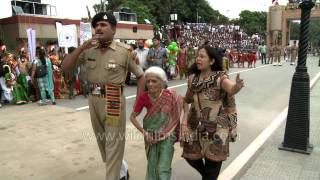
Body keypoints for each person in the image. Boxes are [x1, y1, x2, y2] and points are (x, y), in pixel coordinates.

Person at [62, 12, 145, 180]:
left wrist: (137, 105)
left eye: (103, 25)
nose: (98, 28)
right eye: (96, 25)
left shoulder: (124, 51)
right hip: (93, 99)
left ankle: (115, 176)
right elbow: (65, 67)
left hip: (114, 98)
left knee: (113, 144)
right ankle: (121, 169)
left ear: (113, 29)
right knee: (104, 145)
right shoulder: (87, 50)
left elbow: (141, 75)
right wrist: (81, 48)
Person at [181, 46, 244, 180]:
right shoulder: (193, 79)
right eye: (197, 56)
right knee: (190, 157)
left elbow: (230, 89)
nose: (198, 59)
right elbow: (186, 100)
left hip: (218, 128)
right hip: (196, 126)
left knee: (213, 164)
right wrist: (184, 122)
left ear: (211, 61)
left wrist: (236, 86)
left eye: (202, 56)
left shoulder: (220, 78)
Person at [130, 66, 183, 180]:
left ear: (162, 82)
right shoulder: (143, 97)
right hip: (150, 136)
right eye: (148, 81)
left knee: (162, 168)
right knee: (152, 165)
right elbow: (132, 117)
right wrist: (145, 134)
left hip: (168, 136)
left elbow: (183, 104)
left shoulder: (170, 95)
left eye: (154, 81)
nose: (150, 84)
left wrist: (184, 123)